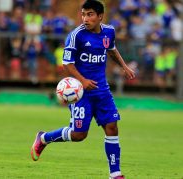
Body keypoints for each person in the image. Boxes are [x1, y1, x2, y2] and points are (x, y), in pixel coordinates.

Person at [30, 1, 135, 179]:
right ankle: (43, 138)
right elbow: (67, 64)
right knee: (79, 135)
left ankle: (115, 173)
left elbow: (111, 49)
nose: (85, 18)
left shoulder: (108, 31)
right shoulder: (76, 35)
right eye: (83, 14)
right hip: (81, 92)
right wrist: (83, 81)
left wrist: (124, 66)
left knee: (112, 127)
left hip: (102, 90)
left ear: (100, 16)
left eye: (90, 14)